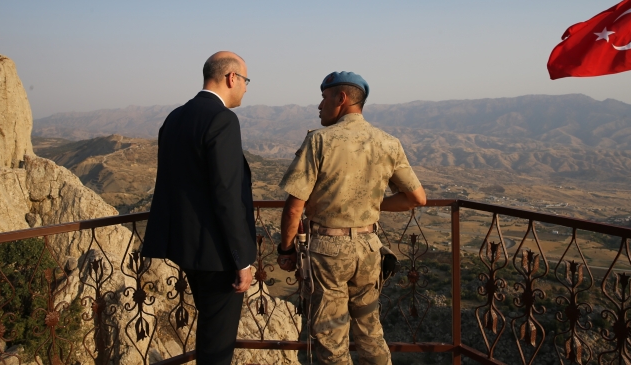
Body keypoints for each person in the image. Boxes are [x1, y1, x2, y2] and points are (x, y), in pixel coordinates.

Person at [277, 71, 426, 365]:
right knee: (370, 331)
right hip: (369, 247)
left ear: (341, 98)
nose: (320, 106)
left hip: (328, 251)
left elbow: (295, 206)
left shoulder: (319, 141)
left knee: (330, 337)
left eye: (324, 98)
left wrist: (285, 251)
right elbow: (416, 198)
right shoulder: (388, 142)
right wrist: (368, 205)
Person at [141, 51, 256, 365]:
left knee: (209, 330)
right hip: (217, 254)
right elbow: (226, 194)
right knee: (218, 343)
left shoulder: (175, 117)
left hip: (184, 246)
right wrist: (242, 259)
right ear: (231, 78)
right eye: (246, 81)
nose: (246, 88)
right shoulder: (222, 119)